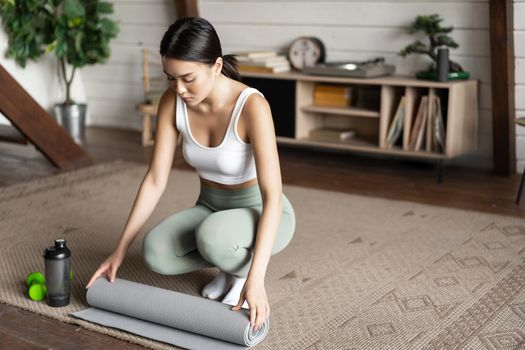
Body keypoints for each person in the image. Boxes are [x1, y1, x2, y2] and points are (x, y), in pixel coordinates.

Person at [85, 17, 296, 332]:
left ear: (216, 65)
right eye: (170, 78)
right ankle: (227, 260)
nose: (179, 89)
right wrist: (120, 249)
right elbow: (156, 179)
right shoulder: (172, 101)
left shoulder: (252, 107)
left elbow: (272, 197)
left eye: (188, 78)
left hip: (262, 210)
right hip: (211, 207)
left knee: (213, 237)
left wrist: (256, 279)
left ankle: (238, 270)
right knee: (156, 251)